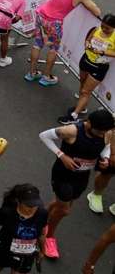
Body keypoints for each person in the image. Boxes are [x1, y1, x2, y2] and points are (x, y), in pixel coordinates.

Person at [39, 109, 115, 259]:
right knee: (64, 210)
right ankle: (48, 237)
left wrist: (105, 159)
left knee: (60, 203)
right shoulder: (71, 131)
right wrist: (62, 156)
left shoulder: (106, 132)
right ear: (89, 124)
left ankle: (38, 219)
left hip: (82, 176)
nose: (102, 135)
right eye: (99, 131)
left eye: (104, 132)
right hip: (63, 175)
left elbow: (106, 146)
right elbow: (44, 136)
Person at [28, 0, 101, 86]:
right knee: (53, 49)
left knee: (37, 44)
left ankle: (31, 73)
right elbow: (97, 11)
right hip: (53, 22)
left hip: (41, 15)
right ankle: (46, 77)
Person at [59, 14, 115, 126]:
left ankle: (74, 115)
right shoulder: (97, 29)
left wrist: (102, 52)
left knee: (86, 91)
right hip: (86, 60)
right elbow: (88, 39)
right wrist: (87, 44)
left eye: (107, 28)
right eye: (102, 26)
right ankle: (82, 107)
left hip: (99, 67)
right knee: (82, 84)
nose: (104, 29)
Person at [0, 183, 47, 274]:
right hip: (4, 250)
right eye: (29, 205)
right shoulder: (7, 212)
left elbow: (41, 234)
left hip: (26, 254)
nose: (33, 208)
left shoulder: (42, 213)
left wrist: (42, 251)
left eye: (35, 204)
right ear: (18, 201)